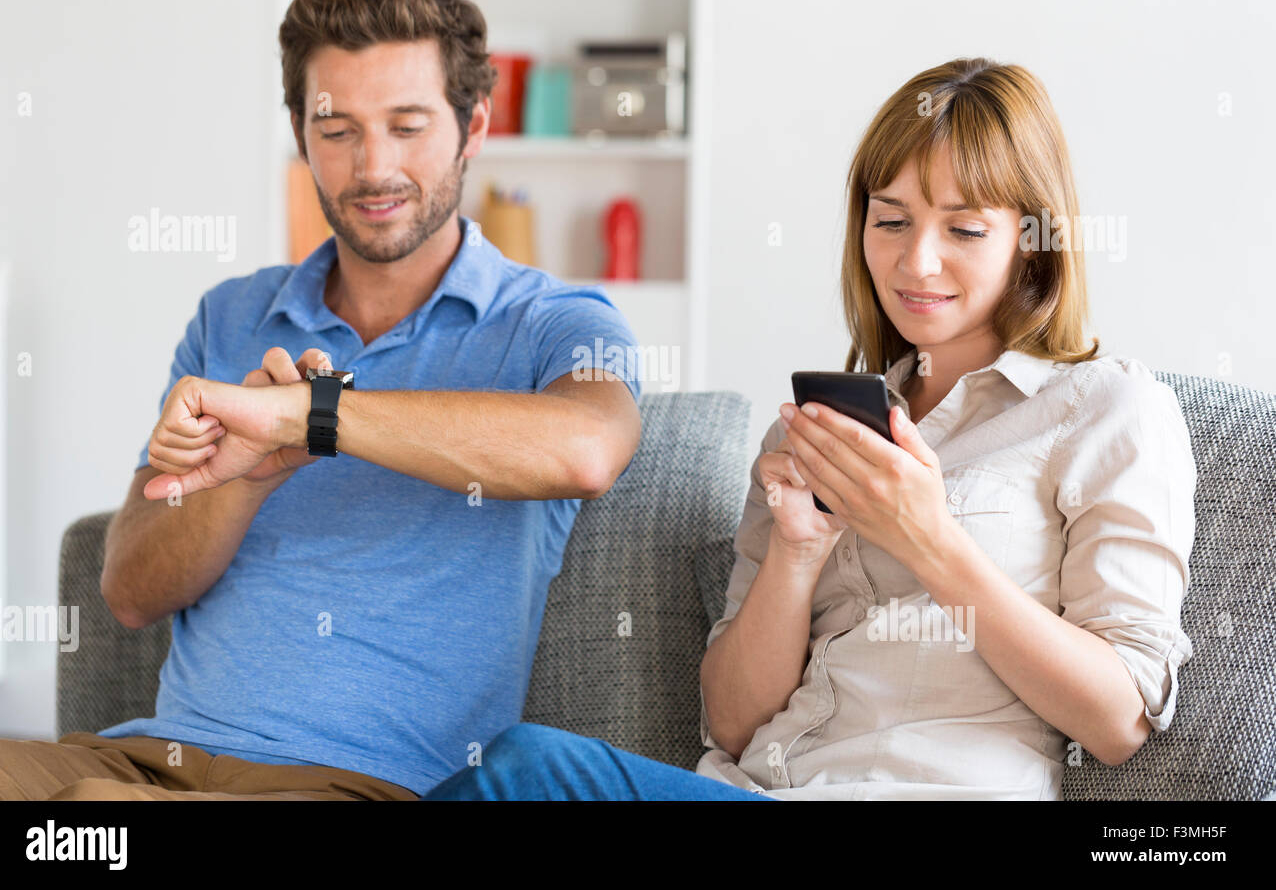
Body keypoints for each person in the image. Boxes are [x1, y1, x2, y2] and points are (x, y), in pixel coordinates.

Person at [423, 57, 1196, 801]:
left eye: (964, 230)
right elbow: (731, 725)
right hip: (753, 789)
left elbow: (1120, 718)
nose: (916, 261)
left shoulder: (1104, 410)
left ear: (1033, 242)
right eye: (891, 220)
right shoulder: (817, 433)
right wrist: (797, 553)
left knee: (528, 772)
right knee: (521, 771)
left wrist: (928, 539)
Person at [0, 0, 643, 801]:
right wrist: (245, 476)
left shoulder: (558, 324)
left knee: (95, 820)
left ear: (472, 127)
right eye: (337, 130)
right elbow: (131, 591)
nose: (372, 169)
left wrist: (310, 416)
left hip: (355, 785)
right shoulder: (232, 317)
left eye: (407, 126)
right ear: (300, 134)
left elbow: (588, 449)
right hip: (151, 757)